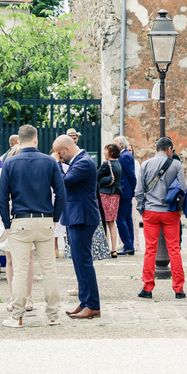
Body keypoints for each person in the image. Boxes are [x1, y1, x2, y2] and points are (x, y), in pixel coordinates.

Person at [0, 125, 66, 328]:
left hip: (20, 220)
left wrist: (6, 223)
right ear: (36, 139)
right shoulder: (49, 162)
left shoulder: (10, 163)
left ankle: (17, 315)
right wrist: (55, 217)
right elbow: (61, 193)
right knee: (49, 269)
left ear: (19, 141)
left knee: (20, 270)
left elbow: (3, 197)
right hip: (45, 218)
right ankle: (53, 315)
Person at [53, 134, 101, 320]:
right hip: (76, 217)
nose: (59, 156)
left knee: (84, 262)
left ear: (66, 149)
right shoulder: (79, 161)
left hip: (82, 217)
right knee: (78, 262)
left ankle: (93, 305)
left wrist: (57, 164)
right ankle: (85, 300)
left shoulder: (84, 162)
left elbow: (64, 182)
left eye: (59, 153)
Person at [135, 137, 187, 300]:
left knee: (150, 249)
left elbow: (138, 191)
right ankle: (178, 289)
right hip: (170, 212)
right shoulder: (176, 164)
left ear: (157, 149)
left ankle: (147, 288)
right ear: (169, 149)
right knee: (174, 249)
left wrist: (142, 208)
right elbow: (183, 188)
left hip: (151, 211)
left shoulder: (145, 164)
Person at [0, 144, 35, 312]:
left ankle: (28, 297)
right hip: (7, 216)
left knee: (28, 258)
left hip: (27, 216)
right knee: (10, 259)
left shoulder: (31, 173)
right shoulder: (0, 173)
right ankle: (13, 296)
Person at [97, 143, 123, 258]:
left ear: (110, 152)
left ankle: (105, 248)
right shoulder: (118, 164)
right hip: (115, 195)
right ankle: (114, 249)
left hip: (105, 195)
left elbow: (97, 177)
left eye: (105, 150)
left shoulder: (106, 164)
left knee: (103, 222)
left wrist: (101, 181)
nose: (104, 152)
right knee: (112, 222)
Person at [113, 136, 137, 256]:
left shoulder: (124, 156)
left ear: (121, 144)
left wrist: (132, 189)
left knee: (120, 218)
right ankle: (129, 245)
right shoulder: (125, 155)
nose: (114, 145)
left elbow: (130, 175)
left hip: (125, 191)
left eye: (115, 143)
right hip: (126, 191)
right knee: (127, 218)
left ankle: (127, 245)